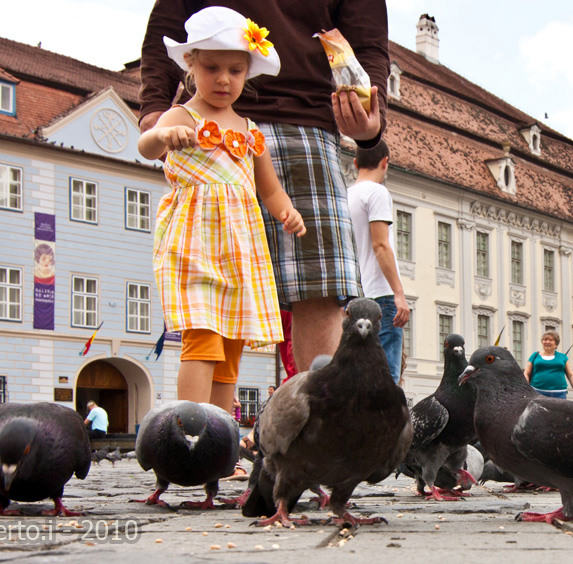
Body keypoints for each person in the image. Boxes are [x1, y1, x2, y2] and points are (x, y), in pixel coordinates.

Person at [140, 0, 389, 373]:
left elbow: (367, 40)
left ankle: (319, 424)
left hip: (305, 117)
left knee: (319, 289)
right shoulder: (187, 111)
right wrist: (155, 110)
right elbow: (171, 17)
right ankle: (210, 426)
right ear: (192, 63)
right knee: (211, 292)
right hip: (206, 122)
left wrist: (372, 113)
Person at [140, 7, 306, 415]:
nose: (223, 79)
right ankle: (188, 433)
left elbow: (269, 190)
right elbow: (146, 147)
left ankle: (218, 441)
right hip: (193, 247)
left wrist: (288, 212)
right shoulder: (183, 115)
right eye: (212, 67)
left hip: (239, 255)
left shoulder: (250, 131)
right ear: (190, 65)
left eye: (235, 70)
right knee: (203, 340)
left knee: (230, 348)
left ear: (247, 72)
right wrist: (163, 133)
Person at [347, 141, 409, 385]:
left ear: (355, 163)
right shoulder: (378, 193)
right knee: (387, 377)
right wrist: (399, 293)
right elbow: (381, 246)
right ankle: (386, 424)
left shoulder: (346, 195)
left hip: (355, 296)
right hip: (381, 295)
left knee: (359, 375)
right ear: (385, 162)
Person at [523, 331, 573, 402]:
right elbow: (526, 373)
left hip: (559, 393)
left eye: (550, 340)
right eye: (545, 339)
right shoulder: (535, 355)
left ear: (556, 344)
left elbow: (571, 375)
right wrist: (524, 389)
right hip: (537, 392)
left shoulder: (563, 357)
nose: (547, 342)